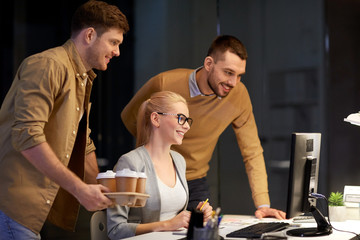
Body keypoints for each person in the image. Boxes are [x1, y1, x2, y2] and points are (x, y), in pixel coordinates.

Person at [0, 1, 129, 239]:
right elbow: (27, 135)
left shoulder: (82, 76)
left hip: (38, 208)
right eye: (113, 42)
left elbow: (83, 142)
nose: (117, 52)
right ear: (90, 35)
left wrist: (110, 194)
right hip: (15, 206)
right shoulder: (47, 65)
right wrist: (80, 189)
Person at [121, 35, 286, 220]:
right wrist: (158, 153)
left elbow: (252, 151)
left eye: (239, 75)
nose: (234, 82)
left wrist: (263, 204)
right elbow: (130, 118)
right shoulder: (165, 83)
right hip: (156, 177)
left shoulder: (239, 95)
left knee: (204, 232)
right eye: (228, 72)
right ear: (209, 64)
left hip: (195, 181)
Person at [107, 91, 213, 239]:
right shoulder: (130, 163)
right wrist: (167, 224)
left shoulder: (179, 160)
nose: (187, 126)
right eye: (181, 118)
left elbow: (176, 218)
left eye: (187, 120)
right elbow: (116, 230)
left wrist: (197, 214)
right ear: (156, 119)